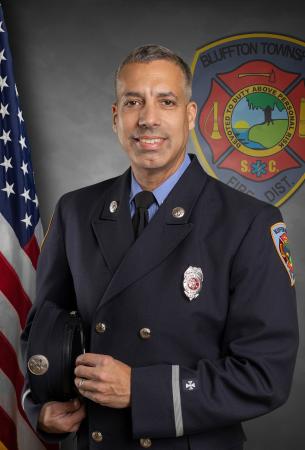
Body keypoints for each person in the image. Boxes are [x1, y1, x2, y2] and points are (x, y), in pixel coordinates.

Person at [21, 45, 299, 450]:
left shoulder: (249, 222)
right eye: (133, 102)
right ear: (116, 117)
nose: (148, 119)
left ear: (189, 115)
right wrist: (41, 407)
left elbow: (265, 375)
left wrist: (142, 390)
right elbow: (43, 330)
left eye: (165, 101)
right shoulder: (75, 212)